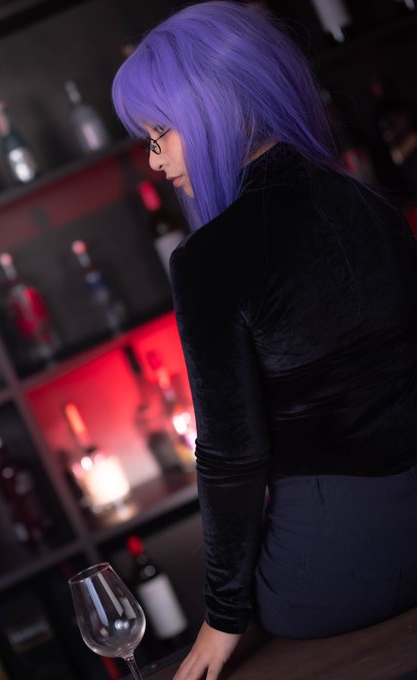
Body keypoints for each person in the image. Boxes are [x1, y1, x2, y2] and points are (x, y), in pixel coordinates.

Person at [112, 2, 417, 679]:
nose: (156, 161)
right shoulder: (370, 204)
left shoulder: (208, 259)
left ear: (212, 110)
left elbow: (231, 457)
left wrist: (222, 619)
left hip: (338, 573)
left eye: (161, 133)